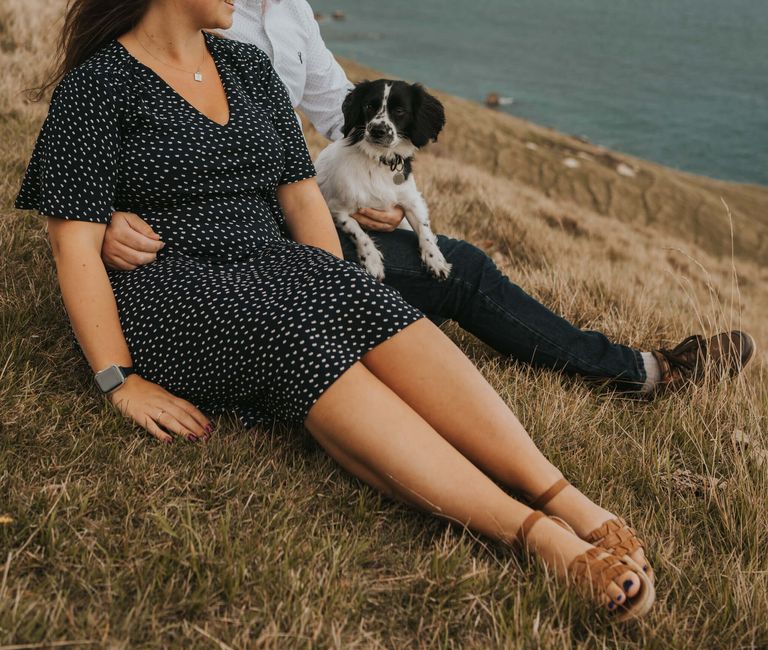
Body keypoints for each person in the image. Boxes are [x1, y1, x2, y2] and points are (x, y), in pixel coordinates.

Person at [17, 0, 657, 619]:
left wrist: (335, 286)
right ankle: (535, 536)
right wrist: (118, 380)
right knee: (295, 330)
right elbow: (70, 243)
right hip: (175, 288)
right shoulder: (97, 87)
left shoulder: (245, 67)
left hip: (271, 261)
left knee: (360, 297)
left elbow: (299, 198)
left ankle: (561, 493)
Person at [99, 0, 755, 396]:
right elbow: (109, 95)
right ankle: (647, 373)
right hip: (233, 239)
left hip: (307, 215)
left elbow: (339, 108)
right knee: (461, 272)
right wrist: (106, 214)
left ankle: (631, 366)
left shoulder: (291, 9)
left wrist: (387, 179)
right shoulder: (187, 9)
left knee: (446, 261)